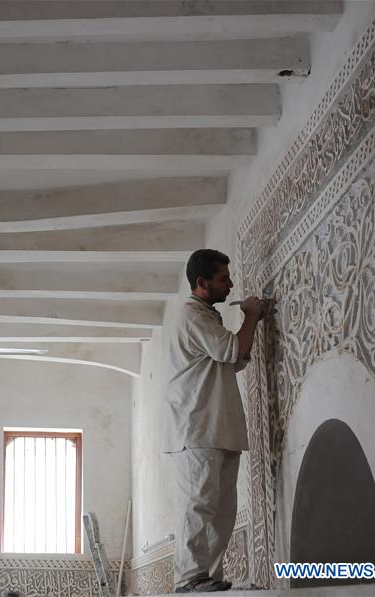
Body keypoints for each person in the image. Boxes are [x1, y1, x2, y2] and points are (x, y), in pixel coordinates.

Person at [164, 249, 269, 593]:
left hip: (218, 427)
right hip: (197, 429)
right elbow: (234, 351)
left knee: (222, 510)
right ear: (201, 282)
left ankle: (208, 576)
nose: (231, 284)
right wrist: (252, 316)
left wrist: (241, 336)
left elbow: (233, 360)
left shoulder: (208, 317)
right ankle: (189, 579)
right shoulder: (193, 316)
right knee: (201, 503)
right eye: (224, 279)